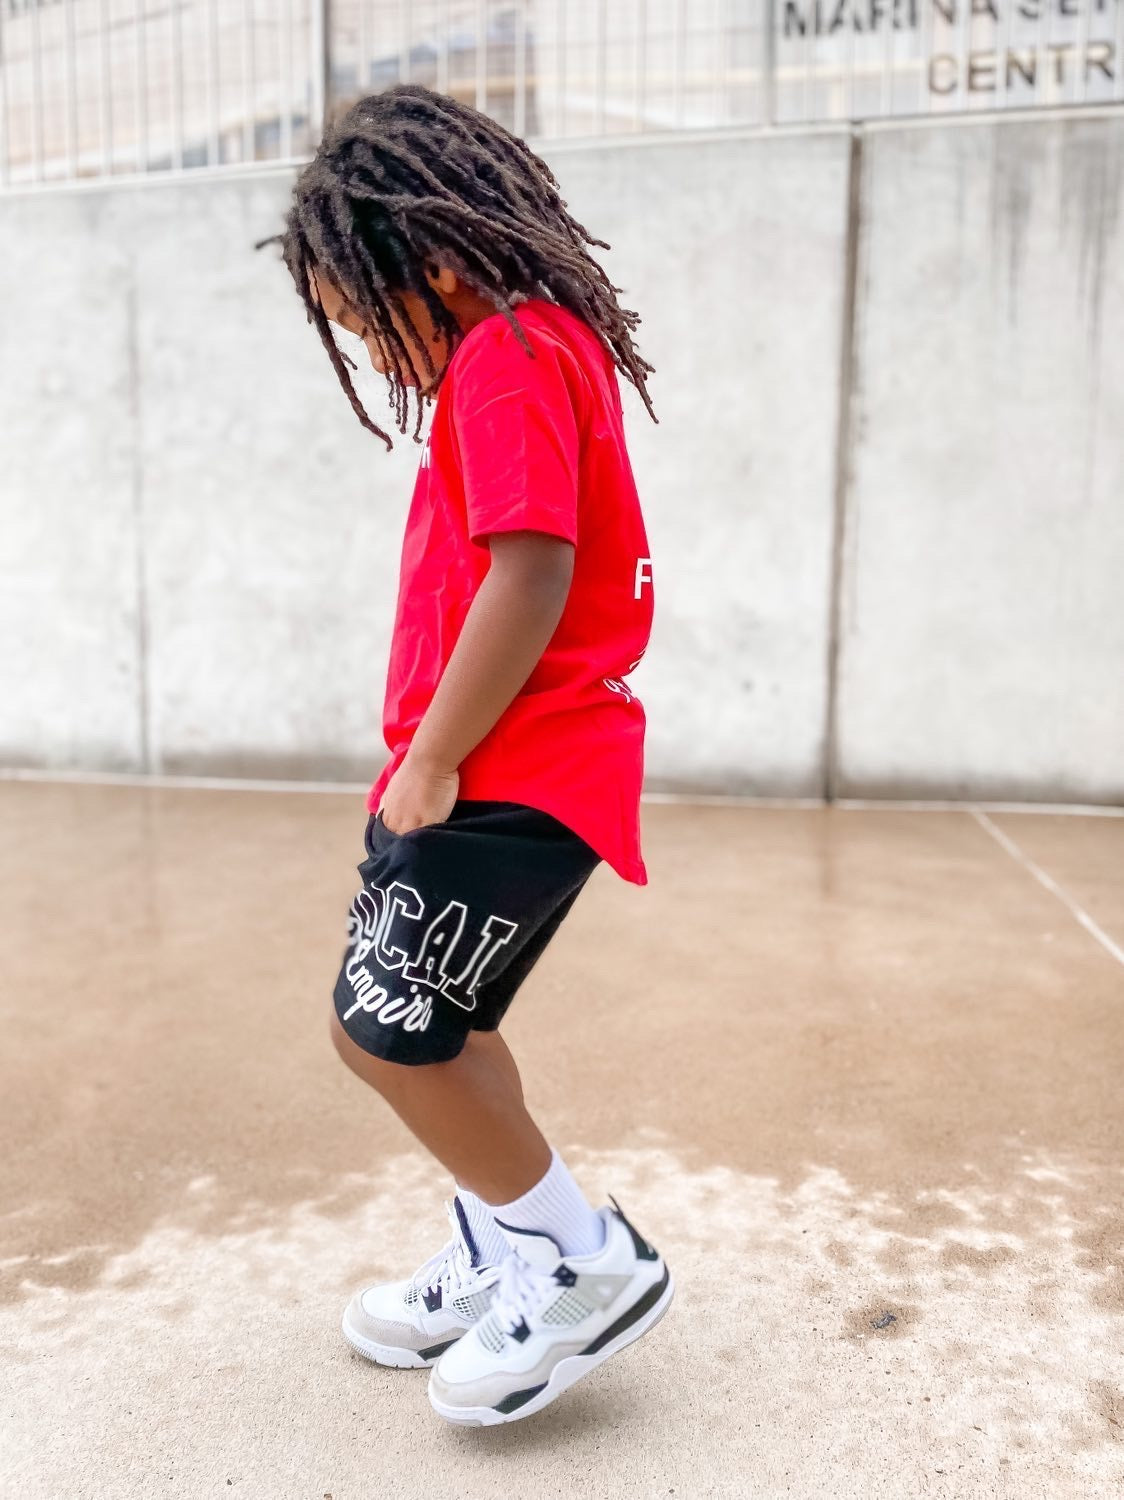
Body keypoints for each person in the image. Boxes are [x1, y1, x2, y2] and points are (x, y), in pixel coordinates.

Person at [257, 83, 671, 1427]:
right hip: (530, 763)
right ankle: (510, 1247)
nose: (375, 351)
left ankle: (579, 1264)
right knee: (444, 1027)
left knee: (382, 1035)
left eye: (365, 317)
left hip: (510, 766)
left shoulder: (501, 356)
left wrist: (432, 762)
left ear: (432, 265)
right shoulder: (547, 342)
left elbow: (531, 571)